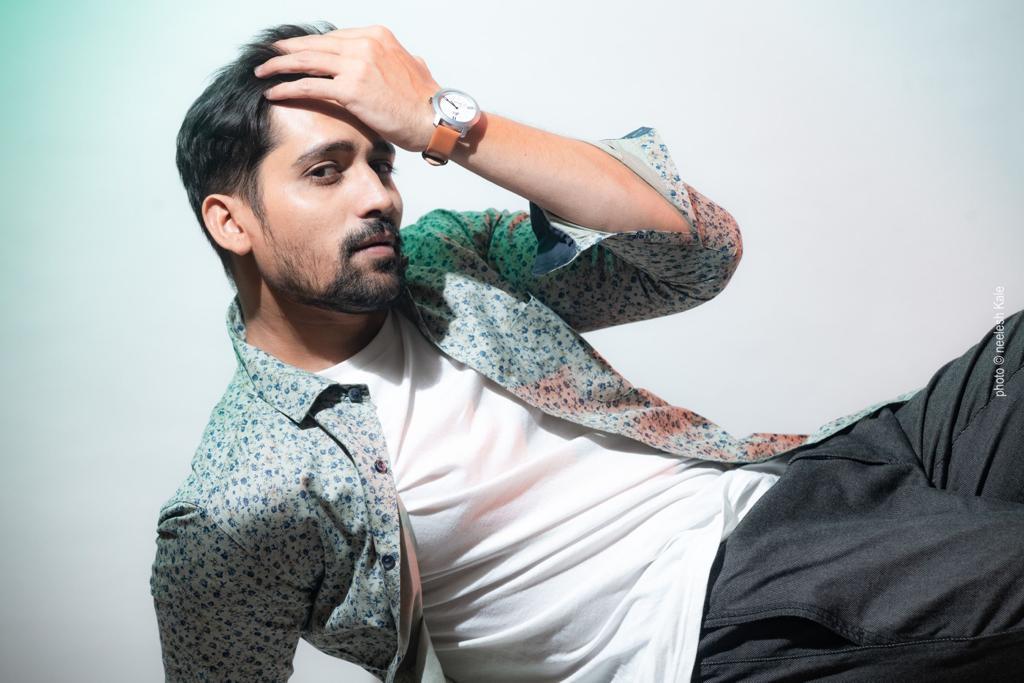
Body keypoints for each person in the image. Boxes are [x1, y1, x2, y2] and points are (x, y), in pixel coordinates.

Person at [149, 20, 1022, 683]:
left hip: (801, 475)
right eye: (326, 171)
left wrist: (441, 118)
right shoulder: (239, 498)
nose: (379, 195)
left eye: (382, 161)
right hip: (718, 611)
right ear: (231, 221)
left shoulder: (447, 262)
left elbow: (698, 253)